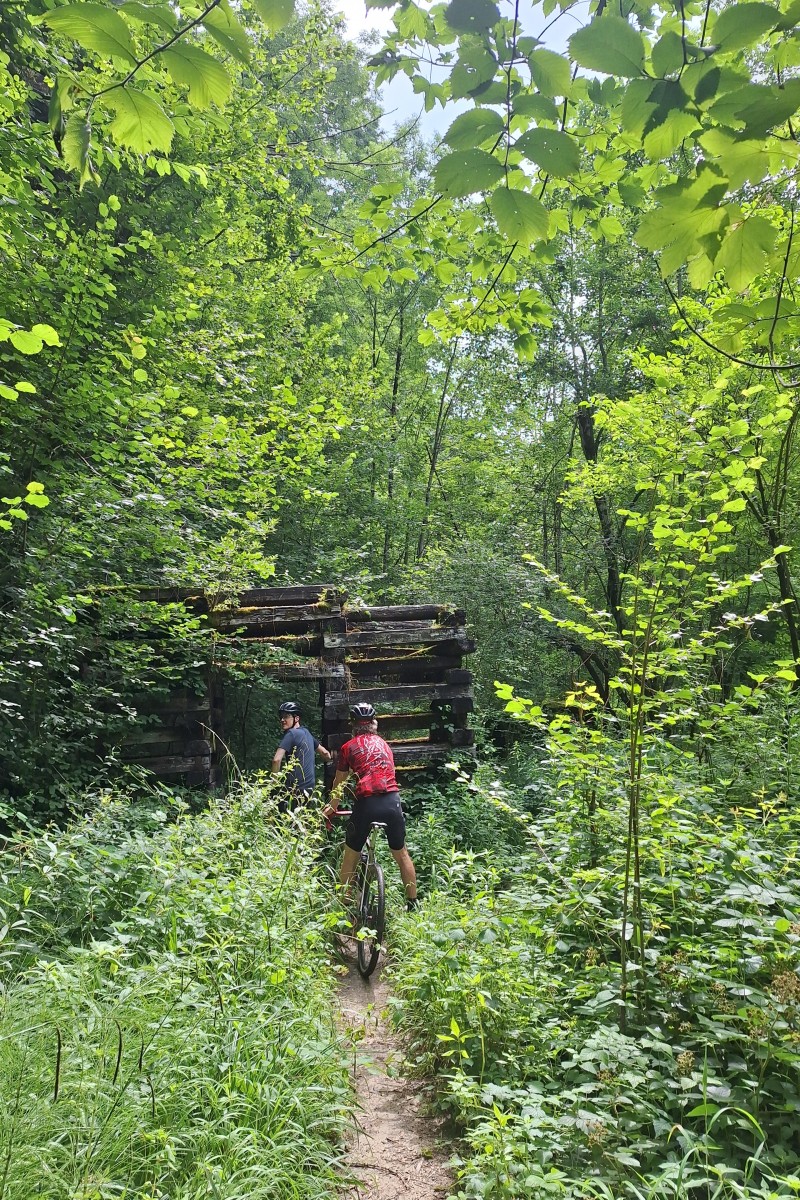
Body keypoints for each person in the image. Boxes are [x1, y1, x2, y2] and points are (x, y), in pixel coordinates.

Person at [322, 702, 418, 911]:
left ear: (354, 726)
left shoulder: (349, 747)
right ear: (374, 724)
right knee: (401, 854)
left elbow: (339, 784)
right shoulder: (385, 745)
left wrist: (332, 807)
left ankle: (345, 904)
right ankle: (413, 904)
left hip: (367, 803)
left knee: (351, 854)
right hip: (392, 801)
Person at [271, 700, 332, 807]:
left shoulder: (291, 734)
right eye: (281, 716)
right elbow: (326, 754)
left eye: (286, 716)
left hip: (294, 788)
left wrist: (274, 785)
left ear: (296, 718)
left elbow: (276, 760)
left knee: (277, 814)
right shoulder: (307, 733)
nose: (282, 720)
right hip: (309, 789)